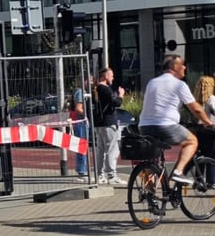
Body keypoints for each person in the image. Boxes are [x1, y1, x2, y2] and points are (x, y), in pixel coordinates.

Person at [139, 54, 215, 183]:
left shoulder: (152, 82)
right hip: (166, 126)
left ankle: (150, 194)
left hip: (144, 126)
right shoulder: (179, 85)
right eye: (182, 64)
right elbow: (195, 108)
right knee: (192, 141)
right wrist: (209, 123)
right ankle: (178, 172)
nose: (185, 67)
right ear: (174, 67)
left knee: (152, 159)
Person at [91, 67, 127, 185]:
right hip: (108, 122)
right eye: (111, 75)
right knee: (112, 149)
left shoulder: (96, 89)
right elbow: (116, 103)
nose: (113, 78)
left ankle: (99, 175)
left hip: (99, 123)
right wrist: (121, 95)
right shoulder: (105, 89)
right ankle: (112, 175)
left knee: (100, 149)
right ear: (105, 76)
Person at [70, 99, 88, 181]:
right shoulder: (80, 92)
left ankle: (81, 171)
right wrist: (89, 114)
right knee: (82, 148)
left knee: (82, 148)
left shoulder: (81, 92)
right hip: (81, 124)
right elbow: (78, 108)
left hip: (80, 123)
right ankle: (81, 172)